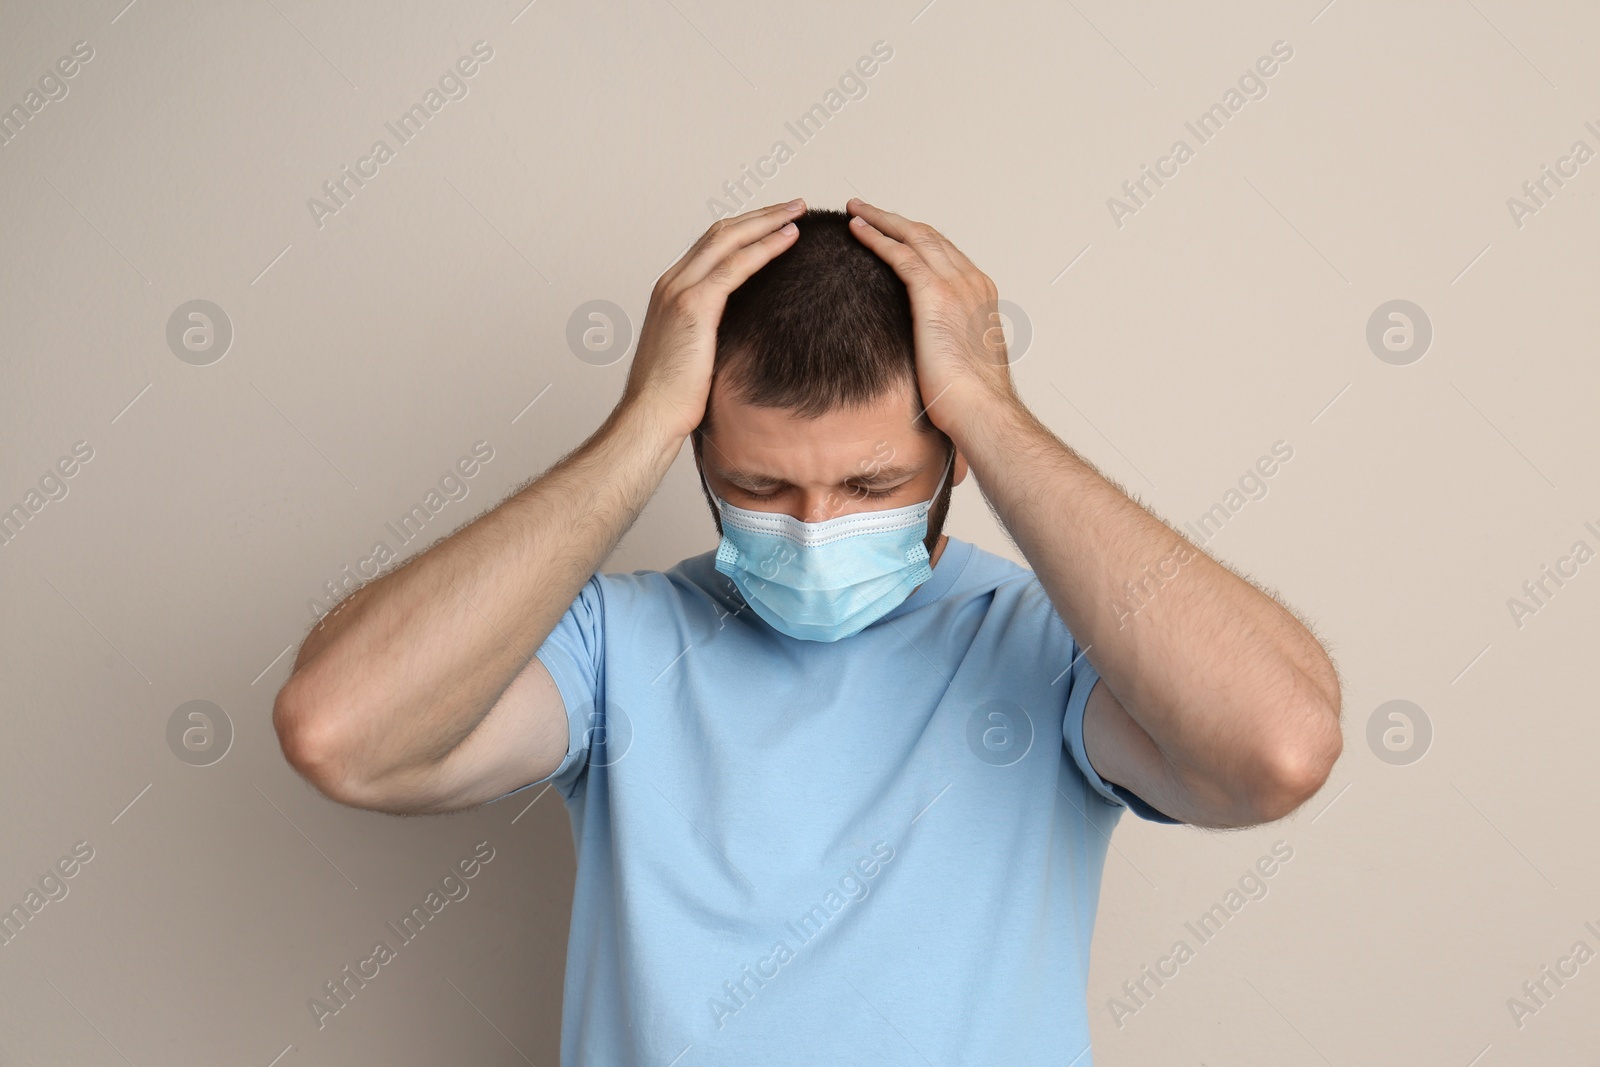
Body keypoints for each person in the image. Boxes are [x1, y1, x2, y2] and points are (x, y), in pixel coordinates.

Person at [272, 197, 1343, 1065]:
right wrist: (639, 423)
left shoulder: (1045, 649)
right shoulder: (618, 646)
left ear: (953, 452)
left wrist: (997, 415)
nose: (816, 528)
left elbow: (1277, 747)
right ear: (698, 457)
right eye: (759, 482)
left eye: (872, 481)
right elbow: (339, 730)